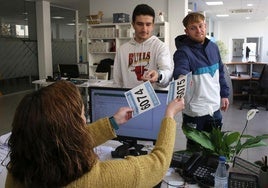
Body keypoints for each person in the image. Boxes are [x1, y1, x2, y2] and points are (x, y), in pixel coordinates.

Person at [5, 80, 185, 188]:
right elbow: (158, 164)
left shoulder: (18, 169)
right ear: (74, 128)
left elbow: (63, 140)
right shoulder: (98, 179)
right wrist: (169, 116)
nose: (84, 120)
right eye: (83, 115)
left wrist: (113, 122)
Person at [173, 12, 229, 150]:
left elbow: (220, 72)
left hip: (214, 108)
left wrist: (224, 94)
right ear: (186, 31)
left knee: (214, 148)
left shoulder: (213, 47)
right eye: (193, 28)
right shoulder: (183, 52)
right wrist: (182, 77)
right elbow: (181, 68)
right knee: (194, 151)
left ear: (205, 26)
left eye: (201, 26)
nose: (198, 30)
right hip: (195, 111)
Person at [113, 4, 173, 88]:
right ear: (133, 24)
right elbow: (117, 81)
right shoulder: (122, 50)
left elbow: (167, 75)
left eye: (148, 24)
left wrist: (158, 75)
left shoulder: (160, 47)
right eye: (140, 24)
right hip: (128, 99)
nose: (144, 29)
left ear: (153, 25)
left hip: (154, 99)